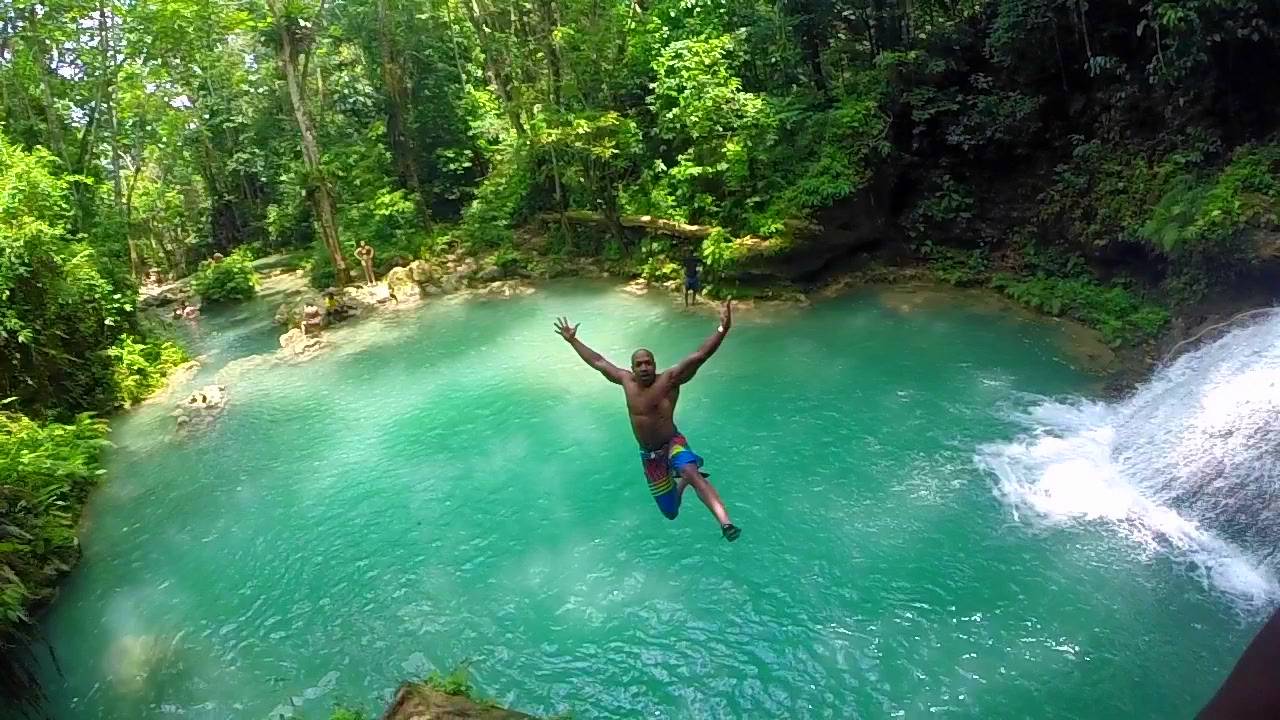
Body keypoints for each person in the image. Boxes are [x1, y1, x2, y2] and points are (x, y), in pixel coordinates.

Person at [554, 300, 741, 541]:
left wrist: (722, 329)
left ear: (655, 364)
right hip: (650, 456)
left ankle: (725, 523)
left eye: (648, 363)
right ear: (632, 368)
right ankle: (682, 479)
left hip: (673, 443)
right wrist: (573, 341)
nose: (644, 367)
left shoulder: (670, 380)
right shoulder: (626, 381)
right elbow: (598, 361)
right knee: (671, 512)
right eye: (639, 364)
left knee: (692, 472)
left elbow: (699, 356)